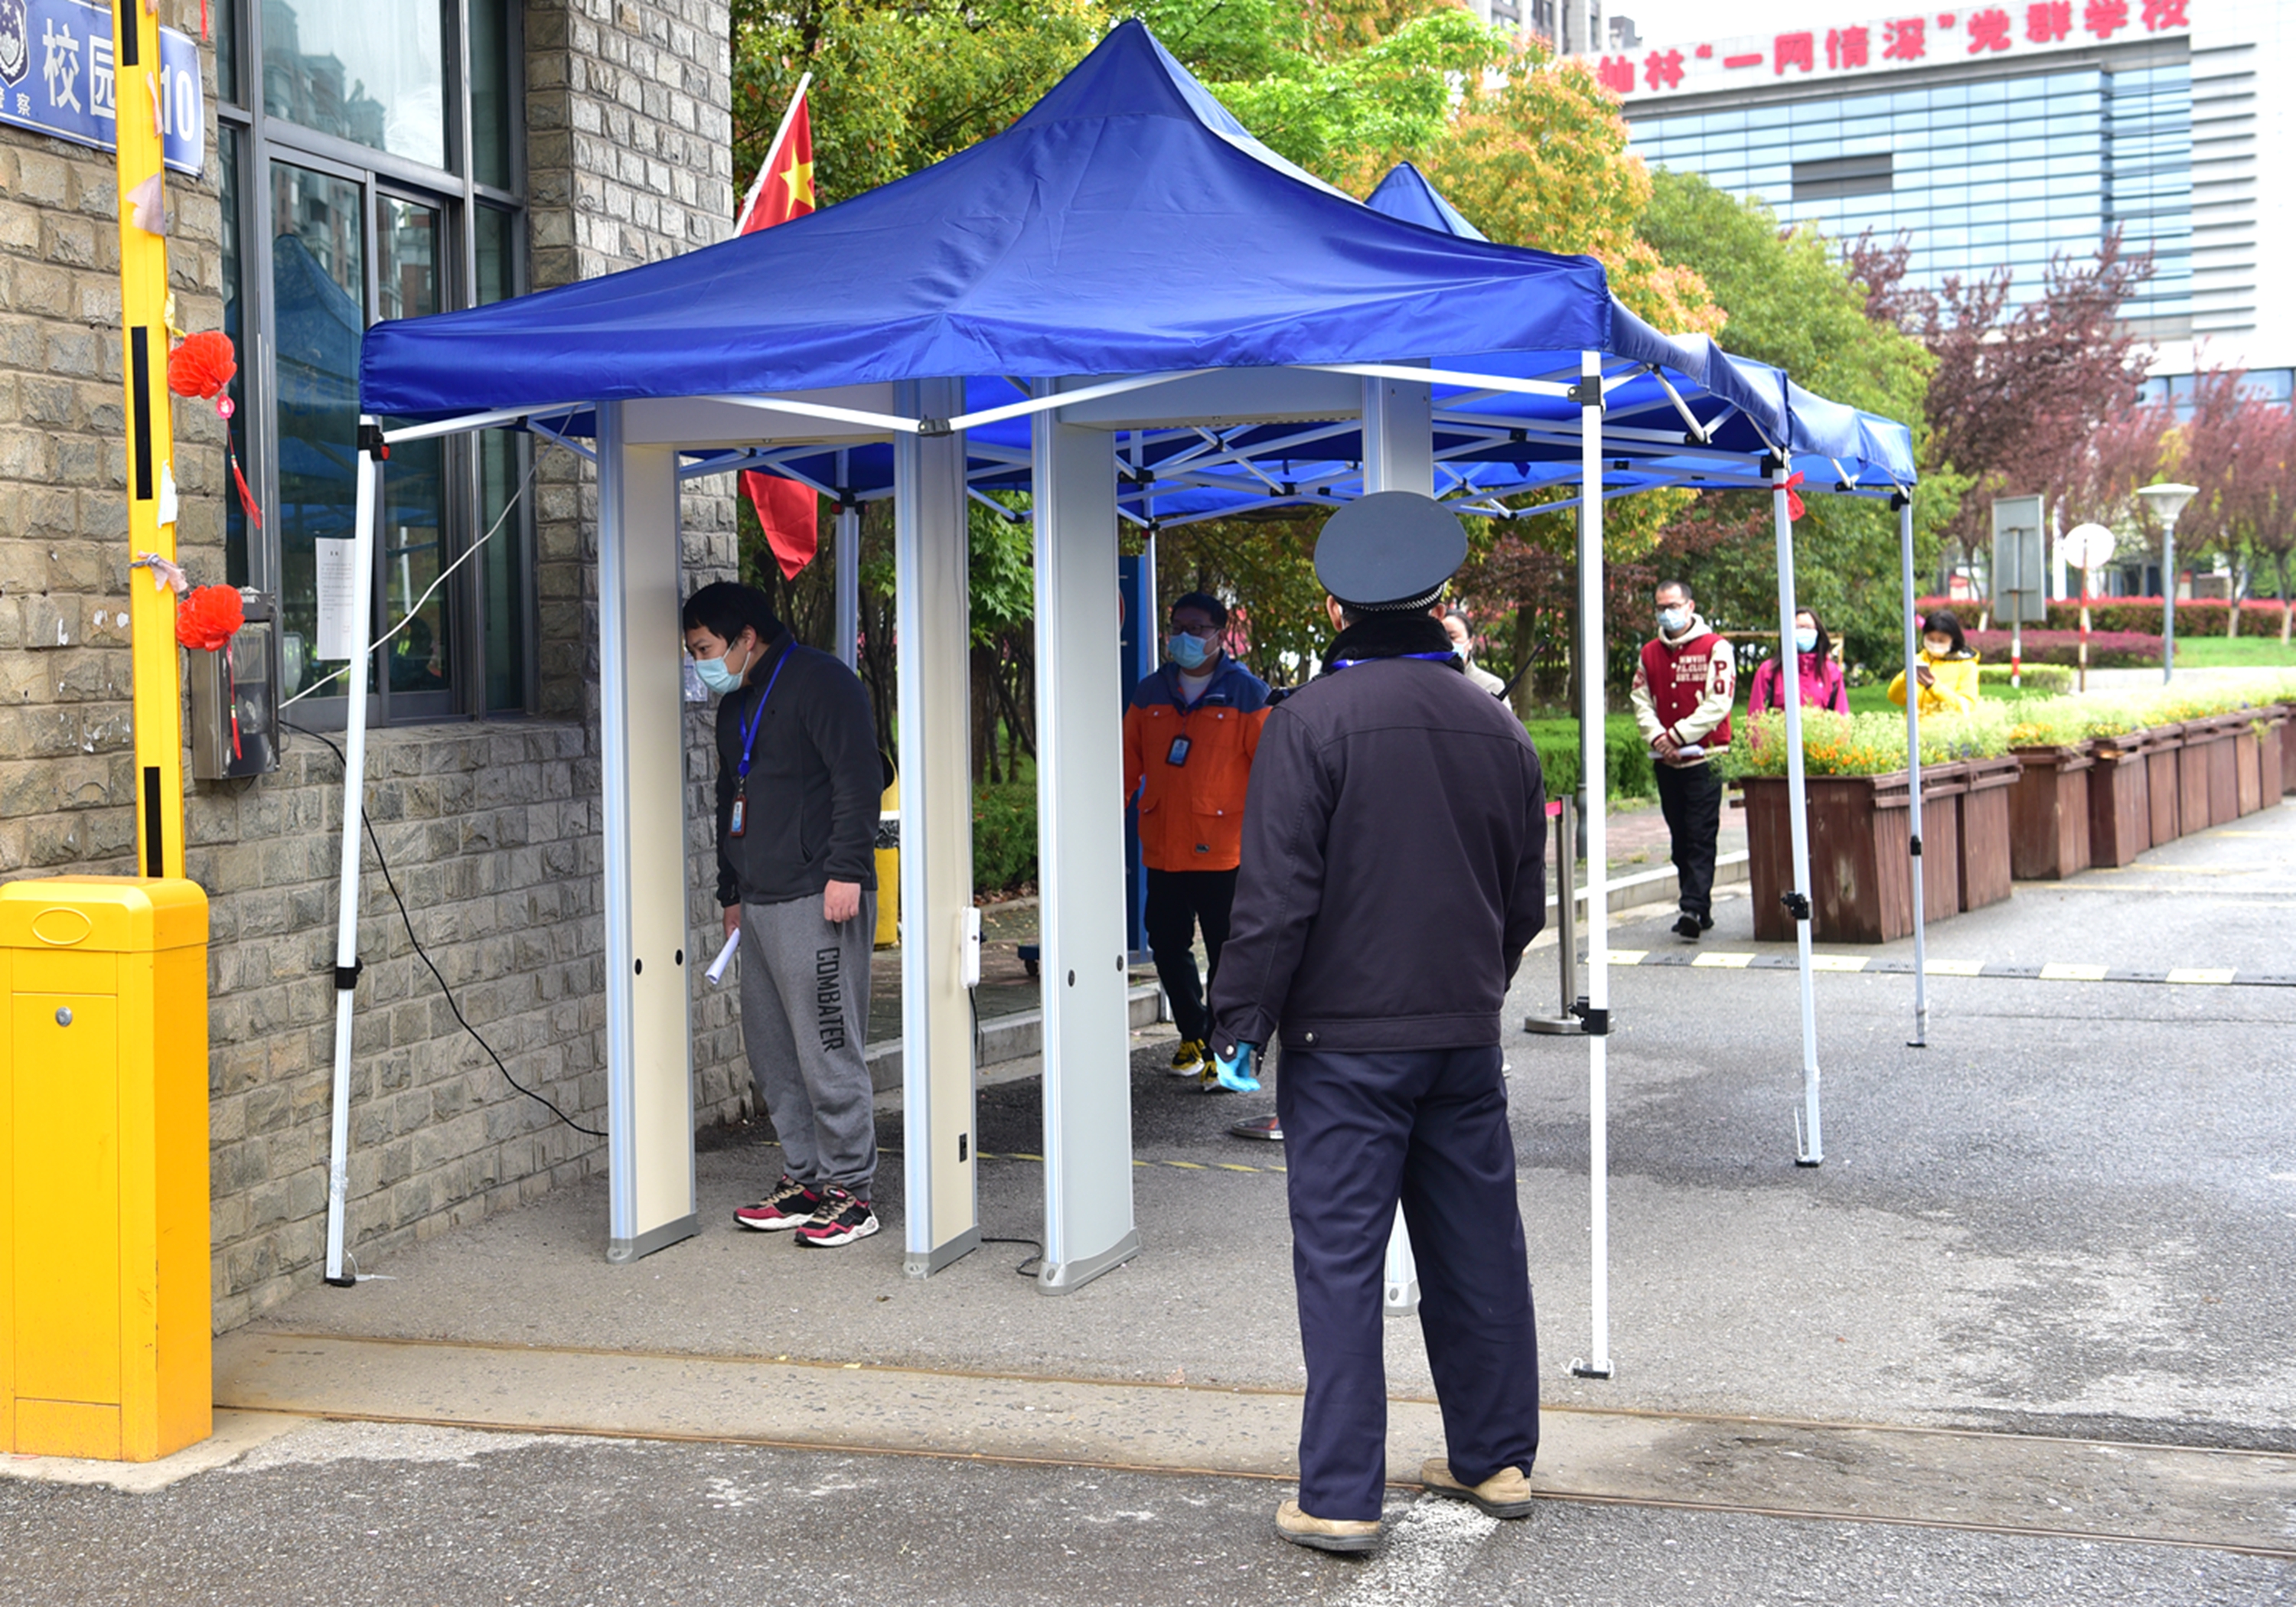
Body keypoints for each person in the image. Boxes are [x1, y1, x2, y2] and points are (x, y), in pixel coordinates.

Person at [1208, 491, 1548, 1556]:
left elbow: (1276, 896)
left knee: (1342, 1265)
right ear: (1441, 600)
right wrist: (1474, 989)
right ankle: (1495, 1459)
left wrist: (1240, 1021)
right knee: (1479, 1250)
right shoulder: (1498, 724)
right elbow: (1525, 902)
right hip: (1461, 1037)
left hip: (1343, 1045)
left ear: (1334, 607)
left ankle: (1342, 1495)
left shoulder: (1308, 722)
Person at [683, 581, 885, 1249]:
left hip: (819, 893)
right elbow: (728, 800)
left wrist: (846, 870)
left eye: (706, 649)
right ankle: (806, 1178)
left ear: (747, 637)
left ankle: (851, 1191)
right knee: (773, 1053)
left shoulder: (822, 682)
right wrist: (730, 892)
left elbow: (858, 776)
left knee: (827, 1047)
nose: (700, 664)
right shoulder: (736, 705)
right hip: (761, 898)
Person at [1122, 591, 1272, 1087]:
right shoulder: (1150, 694)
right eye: (1177, 626)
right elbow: (1125, 764)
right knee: (1166, 944)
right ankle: (1194, 1034)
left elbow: (1273, 771)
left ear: (1219, 634)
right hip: (1163, 846)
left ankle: (1222, 1049)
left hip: (1224, 850)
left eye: (1197, 628)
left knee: (1227, 953)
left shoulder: (1248, 694)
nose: (1184, 636)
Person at [1629, 580, 1735, 943]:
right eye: (1660, 607)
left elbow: (1718, 703)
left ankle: (1692, 907)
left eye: (1673, 606)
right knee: (1680, 837)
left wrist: (1677, 736)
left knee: (1701, 833)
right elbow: (1641, 700)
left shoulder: (1716, 648)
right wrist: (1658, 737)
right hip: (1665, 759)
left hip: (1705, 757)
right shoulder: (1649, 652)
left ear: (1690, 607)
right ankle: (1699, 907)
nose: (1666, 613)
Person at [1746, 608, 1850, 715]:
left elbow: (1841, 716)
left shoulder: (1832, 672)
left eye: (1809, 628)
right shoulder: (1768, 671)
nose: (1804, 631)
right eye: (1798, 627)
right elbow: (1756, 717)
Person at [1887, 610, 1981, 715]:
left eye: (1941, 640)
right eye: (1931, 639)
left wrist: (1933, 686)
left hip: (1944, 725)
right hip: (1914, 725)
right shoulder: (1919, 659)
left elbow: (1967, 707)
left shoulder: (1966, 665)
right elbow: (1894, 698)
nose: (1935, 644)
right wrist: (1905, 676)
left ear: (1953, 641)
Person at [1441, 608, 1507, 697]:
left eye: (1452, 637)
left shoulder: (1491, 686)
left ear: (1471, 642)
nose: (1446, 643)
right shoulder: (1427, 681)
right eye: (1440, 638)